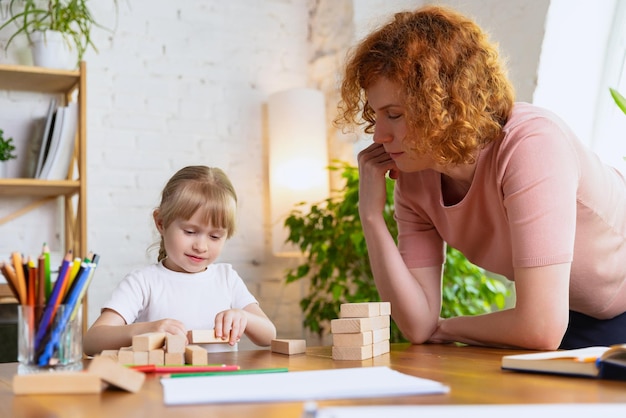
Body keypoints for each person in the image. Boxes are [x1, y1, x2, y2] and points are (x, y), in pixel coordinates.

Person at [336, 5, 626, 350]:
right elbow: (416, 324)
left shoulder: (531, 145)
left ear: (443, 103)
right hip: (573, 313)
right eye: (376, 114)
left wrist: (444, 328)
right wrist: (370, 216)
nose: (378, 134)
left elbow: (540, 327)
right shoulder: (416, 177)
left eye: (394, 114)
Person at [84, 166, 276, 356]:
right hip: (161, 385)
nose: (201, 246)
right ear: (161, 223)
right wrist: (146, 329)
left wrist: (244, 317)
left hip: (220, 385)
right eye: (190, 232)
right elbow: (92, 341)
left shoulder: (227, 278)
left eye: (215, 236)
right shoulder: (143, 282)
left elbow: (269, 336)